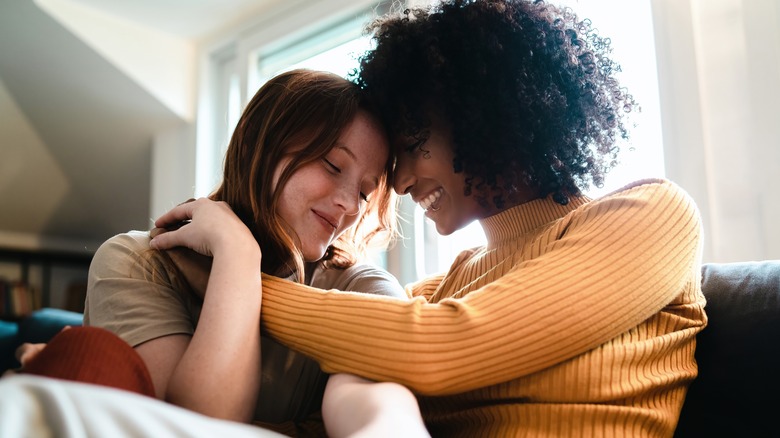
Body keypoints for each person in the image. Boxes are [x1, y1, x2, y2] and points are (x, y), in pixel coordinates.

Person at [155, 0, 707, 436]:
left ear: (488, 119)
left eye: (414, 145)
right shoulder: (447, 284)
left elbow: (440, 348)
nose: (396, 183)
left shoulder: (651, 215)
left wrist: (237, 265)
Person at [9, 69, 428, 437]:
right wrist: (237, 255)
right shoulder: (138, 261)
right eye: (333, 166)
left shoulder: (361, 287)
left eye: (363, 192)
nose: (350, 206)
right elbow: (198, 423)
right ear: (259, 149)